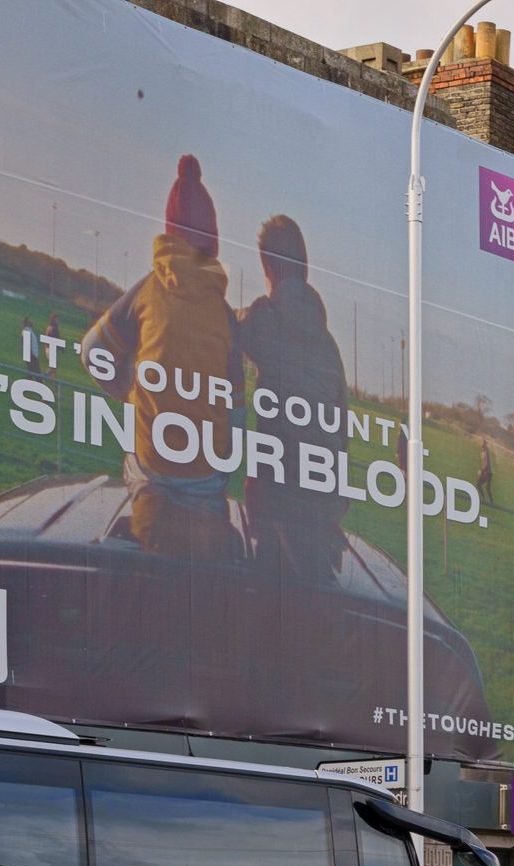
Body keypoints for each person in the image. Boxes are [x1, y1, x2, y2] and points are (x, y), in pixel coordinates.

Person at [81, 153, 240, 559]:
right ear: (213, 240)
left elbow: (92, 351)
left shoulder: (149, 289)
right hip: (205, 475)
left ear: (169, 233)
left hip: (151, 465)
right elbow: (237, 405)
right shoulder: (222, 312)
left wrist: (131, 392)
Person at [235, 214, 348, 580]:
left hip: (279, 508)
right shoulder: (330, 346)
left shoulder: (265, 318)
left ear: (268, 266)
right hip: (322, 510)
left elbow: (220, 326)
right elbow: (343, 431)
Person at [475, 438, 494, 507]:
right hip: (484, 471)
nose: (482, 445)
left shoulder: (486, 452)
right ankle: (484, 499)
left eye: (484, 443)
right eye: (482, 443)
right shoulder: (482, 453)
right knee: (478, 484)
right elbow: (483, 463)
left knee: (487, 488)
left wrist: (481, 470)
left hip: (488, 472)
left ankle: (491, 502)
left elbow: (487, 463)